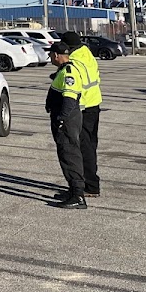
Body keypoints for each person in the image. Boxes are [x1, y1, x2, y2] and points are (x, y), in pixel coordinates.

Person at [45, 31, 102, 208]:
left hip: (81, 107)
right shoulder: (87, 53)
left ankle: (83, 188)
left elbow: (72, 83)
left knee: (77, 148)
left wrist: (62, 117)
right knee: (88, 146)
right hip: (93, 102)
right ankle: (85, 185)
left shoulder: (74, 61)